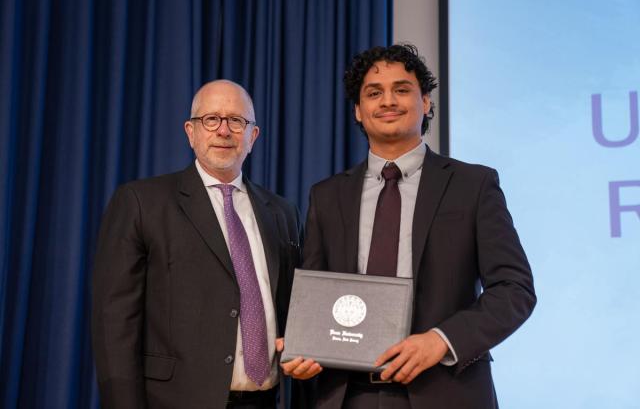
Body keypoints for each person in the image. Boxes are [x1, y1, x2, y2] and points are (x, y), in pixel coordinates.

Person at [280, 45, 536, 408]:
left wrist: (442, 340)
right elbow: (316, 297)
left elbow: (515, 289)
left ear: (426, 102)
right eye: (373, 92)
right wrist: (301, 347)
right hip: (347, 396)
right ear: (358, 110)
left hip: (446, 389)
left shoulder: (473, 185)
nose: (388, 101)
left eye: (402, 89)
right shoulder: (326, 195)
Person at [92, 80, 302, 409]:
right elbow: (114, 324)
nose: (223, 130)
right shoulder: (141, 202)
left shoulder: (283, 213)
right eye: (211, 119)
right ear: (191, 132)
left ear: (253, 136)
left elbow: (293, 308)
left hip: (267, 400)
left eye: (236, 120)